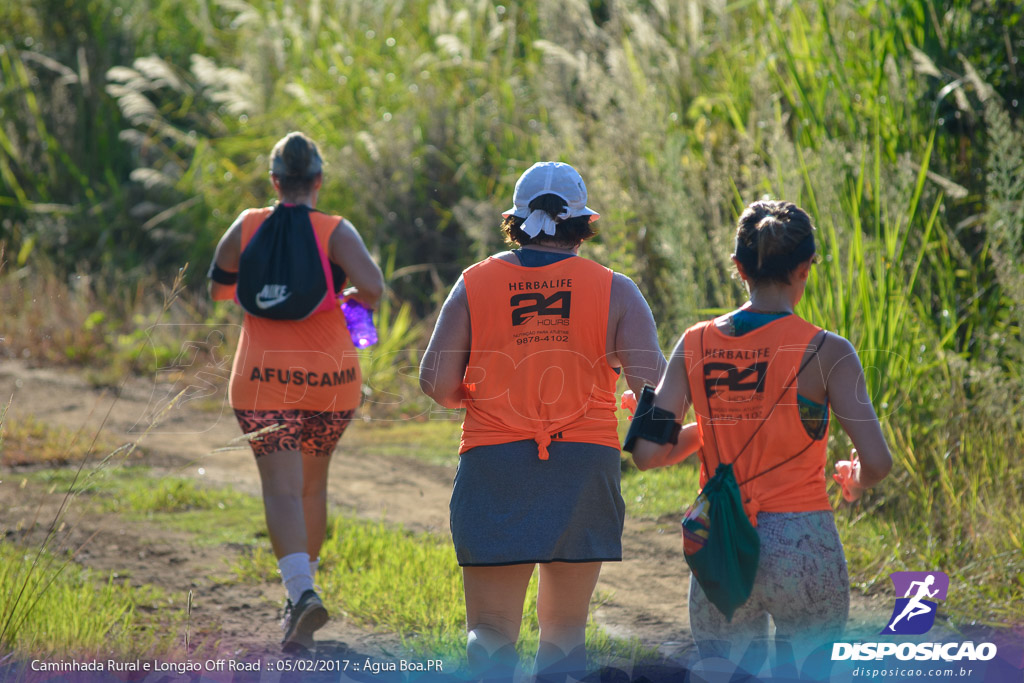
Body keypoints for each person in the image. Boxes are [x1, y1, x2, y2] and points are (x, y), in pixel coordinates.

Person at [419, 162, 665, 681]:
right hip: (584, 466)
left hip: (493, 461)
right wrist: (629, 406)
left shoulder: (474, 283)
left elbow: (436, 383)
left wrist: (477, 396)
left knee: (489, 627)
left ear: (514, 221)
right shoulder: (616, 290)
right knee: (565, 630)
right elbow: (656, 391)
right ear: (581, 224)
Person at [629, 199, 892, 673]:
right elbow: (878, 462)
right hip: (802, 540)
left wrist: (677, 424)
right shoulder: (828, 351)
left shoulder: (695, 343)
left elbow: (648, 454)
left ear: (738, 268)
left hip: (721, 539)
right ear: (806, 268)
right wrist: (855, 477)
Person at [208, 132, 384, 652]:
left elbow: (219, 287)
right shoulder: (335, 231)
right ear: (318, 182)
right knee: (311, 486)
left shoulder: (246, 225)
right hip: (331, 383)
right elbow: (372, 288)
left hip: (261, 381)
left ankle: (301, 592)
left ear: (274, 181)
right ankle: (301, 597)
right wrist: (339, 294)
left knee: (280, 489)